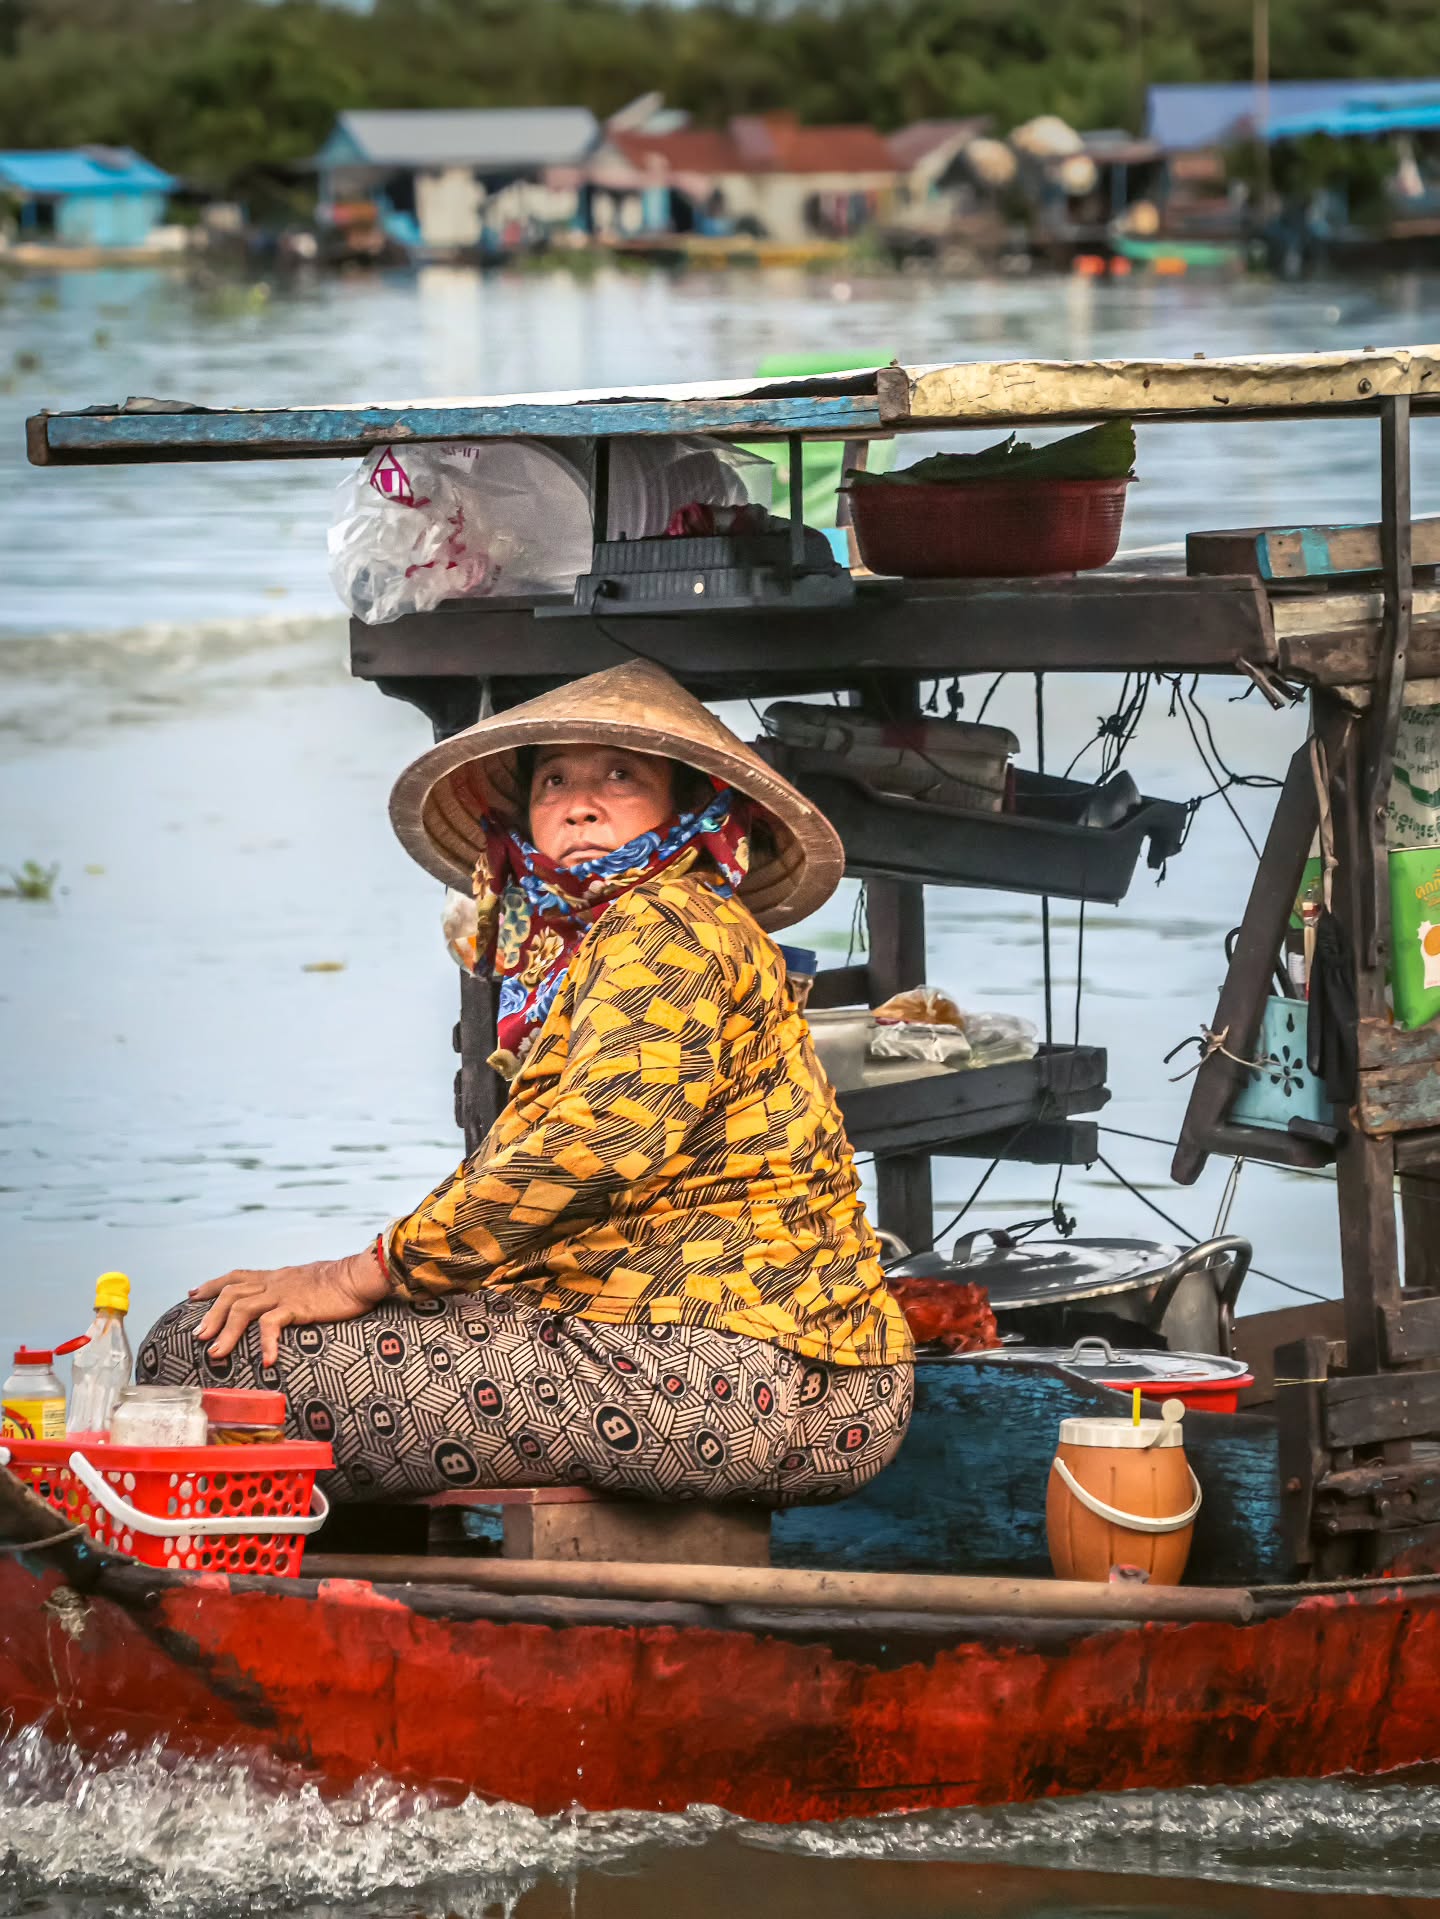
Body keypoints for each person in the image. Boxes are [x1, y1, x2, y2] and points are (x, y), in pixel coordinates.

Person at [138, 661, 914, 1505]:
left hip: (721, 1372)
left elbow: (600, 1143)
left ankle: (225, 1600)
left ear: (688, 809)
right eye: (554, 781)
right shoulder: (633, 937)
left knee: (197, 1356)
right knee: (233, 1341)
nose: (580, 802)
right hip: (776, 1373)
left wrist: (363, 1272)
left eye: (621, 775)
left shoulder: (661, 920)